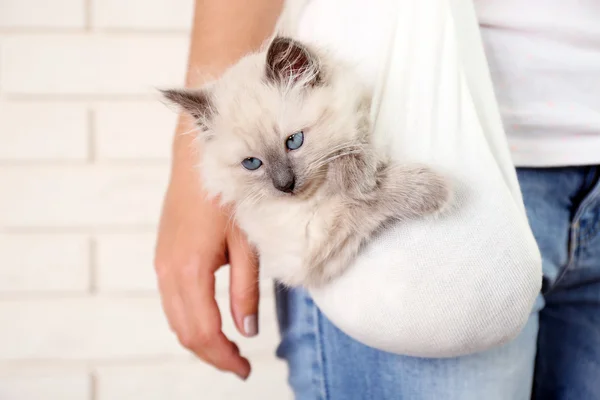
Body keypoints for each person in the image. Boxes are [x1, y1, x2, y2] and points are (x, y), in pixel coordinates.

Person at [154, 0, 600, 398]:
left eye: (293, 144)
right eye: (254, 164)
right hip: (442, 141)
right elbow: (299, 256)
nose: (284, 180)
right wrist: (189, 187)